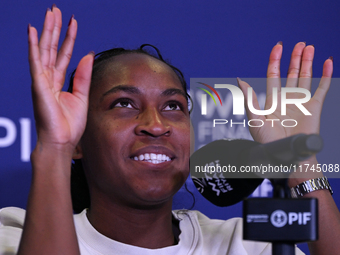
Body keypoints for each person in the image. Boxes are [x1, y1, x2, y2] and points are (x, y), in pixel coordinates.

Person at [0, 5, 340, 255]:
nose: (156, 125)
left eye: (173, 106)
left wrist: (300, 164)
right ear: (79, 137)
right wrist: (55, 147)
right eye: (124, 104)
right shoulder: (16, 233)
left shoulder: (245, 243)